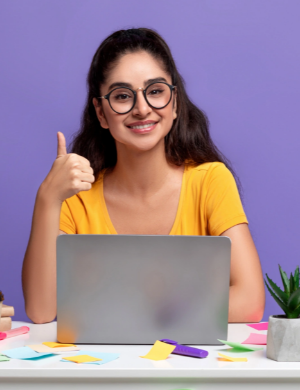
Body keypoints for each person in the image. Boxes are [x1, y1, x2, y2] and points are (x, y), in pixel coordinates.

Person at [22, 28, 265, 324]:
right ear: (101, 112)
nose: (142, 109)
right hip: (100, 371)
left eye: (155, 91)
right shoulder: (76, 197)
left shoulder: (210, 181)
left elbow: (250, 302)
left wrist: (135, 311)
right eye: (122, 96)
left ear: (174, 102)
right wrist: (48, 197)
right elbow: (41, 310)